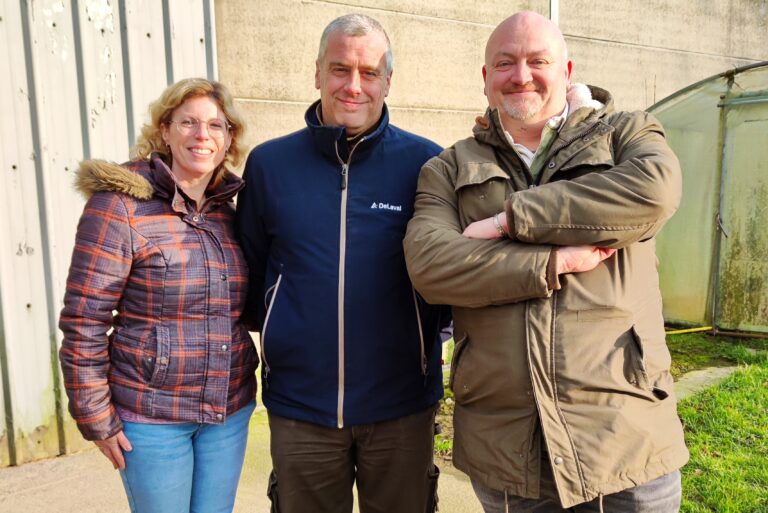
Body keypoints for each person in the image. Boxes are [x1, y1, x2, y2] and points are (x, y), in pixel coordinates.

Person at [403, 11, 688, 513]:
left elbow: (654, 193)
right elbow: (430, 265)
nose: (521, 75)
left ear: (567, 69)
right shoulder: (448, 167)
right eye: (505, 63)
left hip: (625, 439)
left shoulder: (627, 135)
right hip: (507, 451)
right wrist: (553, 262)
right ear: (486, 77)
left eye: (539, 61)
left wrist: (508, 220)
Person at [236, 13, 446, 513]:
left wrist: (421, 344)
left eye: (369, 72)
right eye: (339, 69)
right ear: (316, 74)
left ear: (388, 81)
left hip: (401, 406)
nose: (353, 85)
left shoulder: (428, 164)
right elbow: (251, 279)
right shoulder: (269, 165)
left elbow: (445, 277)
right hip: (300, 408)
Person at [59, 78, 258, 513]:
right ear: (164, 131)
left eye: (215, 126)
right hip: (152, 417)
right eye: (188, 122)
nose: (201, 135)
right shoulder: (120, 206)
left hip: (228, 409)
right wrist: (94, 415)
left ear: (229, 140)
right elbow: (84, 319)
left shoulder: (230, 212)